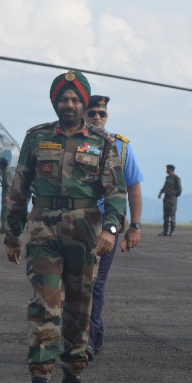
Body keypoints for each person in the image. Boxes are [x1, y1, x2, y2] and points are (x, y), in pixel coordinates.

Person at [4, 72, 126, 383]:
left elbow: (116, 192)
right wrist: (12, 234)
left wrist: (111, 230)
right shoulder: (37, 138)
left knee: (79, 306)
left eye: (75, 100)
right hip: (44, 229)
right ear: (54, 102)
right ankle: (40, 382)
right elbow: (19, 187)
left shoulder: (103, 143)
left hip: (86, 231)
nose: (69, 105)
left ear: (84, 103)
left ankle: (72, 376)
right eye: (63, 99)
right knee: (44, 305)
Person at [84, 94, 143, 354]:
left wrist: (135, 226)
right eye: (92, 113)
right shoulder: (73, 142)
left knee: (95, 283)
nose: (97, 117)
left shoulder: (121, 147)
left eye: (102, 113)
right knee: (73, 282)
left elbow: (133, 187)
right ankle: (87, 333)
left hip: (106, 225)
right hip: (75, 223)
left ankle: (90, 337)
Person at [158, 165, 182, 235]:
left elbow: (179, 189)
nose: (166, 170)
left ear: (171, 169)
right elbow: (164, 186)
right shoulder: (167, 178)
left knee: (172, 215)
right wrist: (160, 193)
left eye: (167, 169)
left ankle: (172, 231)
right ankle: (165, 231)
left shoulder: (177, 178)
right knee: (165, 216)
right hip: (166, 199)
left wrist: (174, 195)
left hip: (172, 200)